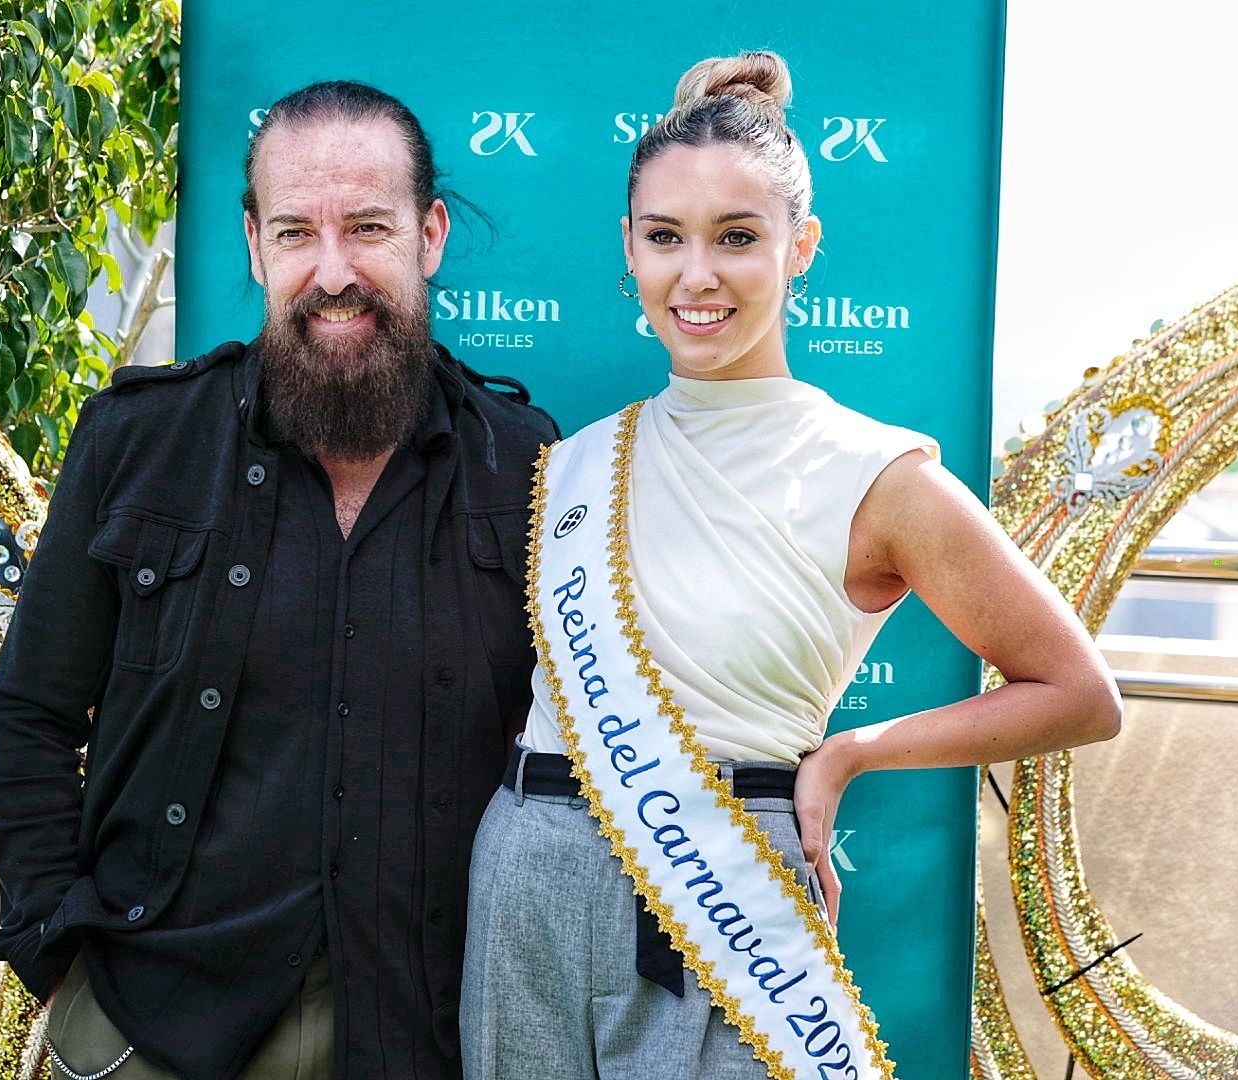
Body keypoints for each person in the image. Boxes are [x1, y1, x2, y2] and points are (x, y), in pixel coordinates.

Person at [460, 51, 1121, 1079]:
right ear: (627, 247)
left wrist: (852, 753)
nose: (698, 274)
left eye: (737, 238)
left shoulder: (879, 474)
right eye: (666, 237)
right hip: (527, 872)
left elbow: (1079, 694)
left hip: (725, 883)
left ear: (800, 245)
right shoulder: (576, 460)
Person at [0, 80, 558, 1080]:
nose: (333, 272)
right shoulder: (137, 441)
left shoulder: (524, 463)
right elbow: (32, 711)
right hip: (153, 1025)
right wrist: (60, 950)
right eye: (297, 233)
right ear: (254, 245)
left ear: (429, 235)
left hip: (426, 1030)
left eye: (368, 227)